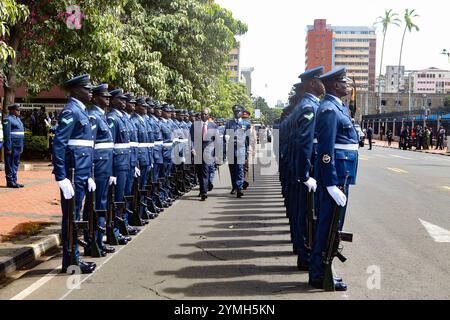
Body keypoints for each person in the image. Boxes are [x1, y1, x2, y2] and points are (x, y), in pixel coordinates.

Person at [309, 66, 359, 291]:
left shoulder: (337, 107)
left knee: (333, 226)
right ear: (335, 86)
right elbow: (325, 150)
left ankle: (325, 269)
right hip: (335, 177)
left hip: (342, 176)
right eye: (344, 82)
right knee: (327, 226)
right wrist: (330, 184)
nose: (348, 85)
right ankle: (319, 274)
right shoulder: (329, 109)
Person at [52, 74, 97, 274]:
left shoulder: (82, 111)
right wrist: (61, 177)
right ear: (77, 90)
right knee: (71, 217)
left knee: (75, 216)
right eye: (87, 89)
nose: (90, 92)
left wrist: (87, 174)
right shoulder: (71, 111)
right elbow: (59, 144)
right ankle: (71, 261)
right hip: (71, 174)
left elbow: (85, 148)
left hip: (80, 172)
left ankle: (72, 260)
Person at [287, 66, 324, 271]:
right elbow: (303, 143)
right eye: (320, 80)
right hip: (306, 168)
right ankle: (305, 255)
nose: (322, 83)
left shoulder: (306, 106)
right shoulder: (309, 107)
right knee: (306, 214)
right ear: (311, 83)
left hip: (300, 166)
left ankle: (304, 252)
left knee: (303, 212)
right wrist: (304, 174)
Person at [84, 83, 116, 256]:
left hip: (105, 167)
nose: (108, 99)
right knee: (95, 204)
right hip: (97, 167)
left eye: (109, 97)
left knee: (102, 203)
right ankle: (93, 242)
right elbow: (90, 146)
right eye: (105, 96)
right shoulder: (93, 117)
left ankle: (99, 241)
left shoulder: (101, 116)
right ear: (96, 98)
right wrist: (90, 173)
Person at [106, 88, 133, 245]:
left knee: (122, 197)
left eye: (125, 100)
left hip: (125, 162)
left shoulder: (122, 118)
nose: (124, 102)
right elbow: (109, 146)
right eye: (120, 100)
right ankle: (114, 231)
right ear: (114, 101)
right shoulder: (112, 119)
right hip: (117, 164)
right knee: (115, 200)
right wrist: (111, 170)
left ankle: (122, 226)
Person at [224, 104, 251, 198]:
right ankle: (234, 186)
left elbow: (248, 138)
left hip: (241, 149)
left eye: (238, 111)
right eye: (235, 112)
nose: (236, 113)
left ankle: (239, 188)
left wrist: (248, 149)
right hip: (231, 148)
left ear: (241, 112)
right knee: (232, 169)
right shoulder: (229, 123)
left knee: (240, 168)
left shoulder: (246, 124)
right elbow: (225, 136)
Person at [191, 108, 217, 201]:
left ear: (208, 115)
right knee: (199, 172)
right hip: (197, 150)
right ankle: (202, 189)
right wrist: (192, 148)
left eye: (205, 114)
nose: (203, 116)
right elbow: (191, 138)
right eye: (202, 114)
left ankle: (204, 192)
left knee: (205, 171)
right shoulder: (195, 125)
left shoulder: (213, 125)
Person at [3, 103, 25, 188]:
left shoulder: (18, 119)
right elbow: (7, 135)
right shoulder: (7, 119)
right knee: (9, 163)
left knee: (15, 163)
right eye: (17, 110)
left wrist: (22, 146)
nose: (19, 111)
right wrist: (8, 147)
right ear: (12, 110)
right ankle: (10, 181)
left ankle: (14, 180)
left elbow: (21, 134)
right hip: (12, 145)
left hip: (18, 145)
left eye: (19, 110)